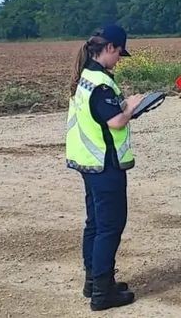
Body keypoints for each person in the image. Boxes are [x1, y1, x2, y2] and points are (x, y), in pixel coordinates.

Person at [64, 24, 145, 311]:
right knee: (110, 227)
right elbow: (115, 122)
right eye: (120, 53)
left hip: (88, 162)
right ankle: (103, 294)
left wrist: (121, 105)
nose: (120, 59)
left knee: (95, 224)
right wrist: (132, 106)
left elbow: (98, 115)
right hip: (105, 165)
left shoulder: (85, 76)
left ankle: (95, 282)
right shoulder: (101, 82)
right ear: (109, 48)